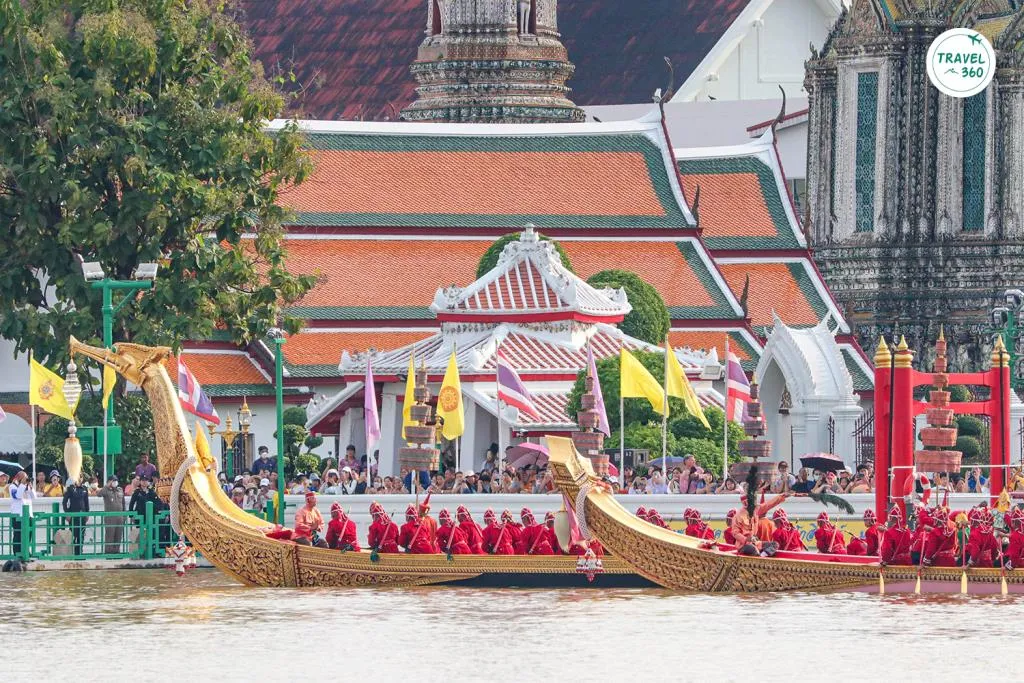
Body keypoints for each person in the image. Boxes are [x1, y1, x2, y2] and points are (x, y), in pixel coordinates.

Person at [96, 476, 125, 554]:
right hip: (110, 517)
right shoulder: (106, 490)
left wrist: (124, 516)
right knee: (110, 536)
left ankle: (117, 553)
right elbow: (99, 494)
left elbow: (123, 503)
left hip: (120, 517)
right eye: (113, 481)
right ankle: (109, 553)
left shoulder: (120, 490)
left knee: (118, 536)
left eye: (116, 480)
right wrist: (107, 486)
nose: (115, 482)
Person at [61, 477, 90, 555]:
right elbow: (64, 502)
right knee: (73, 534)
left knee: (81, 534)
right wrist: (67, 513)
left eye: (80, 477)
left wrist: (87, 513)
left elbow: (86, 502)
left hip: (82, 515)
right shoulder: (70, 488)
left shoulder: (84, 488)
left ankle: (80, 552)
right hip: (73, 515)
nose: (79, 479)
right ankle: (73, 552)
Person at [9, 471, 34, 556]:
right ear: (18, 477)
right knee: (18, 536)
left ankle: (27, 553)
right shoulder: (12, 486)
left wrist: (30, 487)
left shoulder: (26, 487)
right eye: (23, 477)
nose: (25, 479)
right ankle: (17, 553)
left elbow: (34, 497)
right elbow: (17, 496)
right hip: (18, 516)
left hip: (28, 515)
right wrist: (23, 484)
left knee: (28, 535)